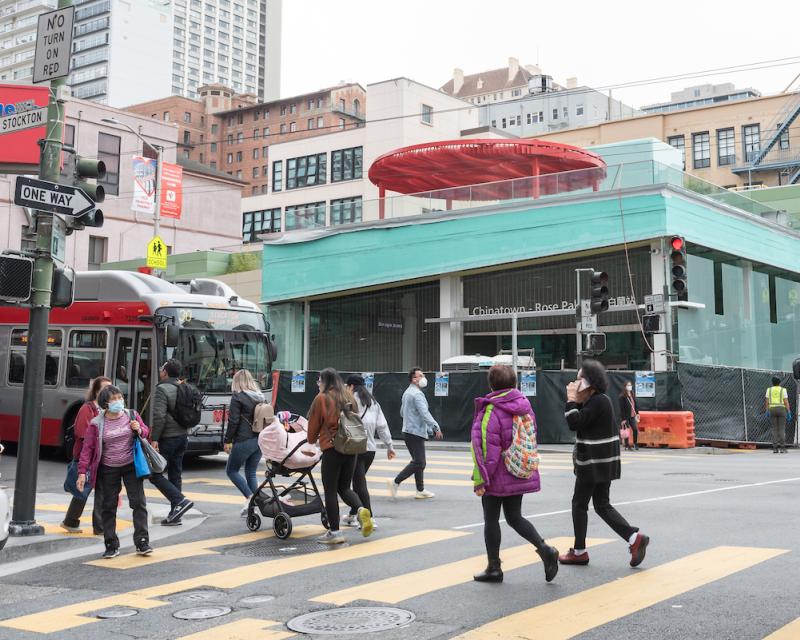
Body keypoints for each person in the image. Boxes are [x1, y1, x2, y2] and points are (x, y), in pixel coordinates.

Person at [471, 365, 559, 583]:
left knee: (491, 520)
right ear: (514, 383)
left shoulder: (490, 409)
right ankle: (544, 548)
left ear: (491, 384)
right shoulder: (525, 407)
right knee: (514, 517)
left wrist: (482, 479)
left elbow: (485, 449)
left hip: (497, 473)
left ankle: (494, 568)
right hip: (518, 469)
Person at [560, 359, 649, 568]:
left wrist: (571, 399)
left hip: (593, 463)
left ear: (589, 383)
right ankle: (634, 538)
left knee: (579, 504)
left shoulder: (598, 401)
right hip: (601, 462)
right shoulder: (598, 401)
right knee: (601, 504)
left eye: (579, 379)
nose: (575, 383)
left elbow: (574, 422)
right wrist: (576, 400)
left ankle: (579, 551)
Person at [76, 386, 152, 558]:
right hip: (108, 468)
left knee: (138, 502)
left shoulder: (131, 415)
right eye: (114, 399)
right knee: (108, 506)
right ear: (105, 403)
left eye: (120, 397)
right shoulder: (96, 423)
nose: (119, 401)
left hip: (131, 466)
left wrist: (139, 429)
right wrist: (82, 472)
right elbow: (87, 449)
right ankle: (110, 543)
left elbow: (145, 432)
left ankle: (142, 542)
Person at [307, 368, 373, 545]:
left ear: (325, 381)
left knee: (330, 490)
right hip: (352, 448)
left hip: (332, 448)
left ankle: (335, 532)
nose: (318, 384)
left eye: (319, 381)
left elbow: (313, 427)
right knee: (344, 488)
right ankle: (360, 510)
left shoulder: (322, 398)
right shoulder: (349, 397)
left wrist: (312, 439)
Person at [342, 374, 395, 530]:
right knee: (358, 482)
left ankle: (369, 518)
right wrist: (389, 446)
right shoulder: (373, 402)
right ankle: (353, 515)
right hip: (370, 450)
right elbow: (382, 426)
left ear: (351, 386)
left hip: (355, 448)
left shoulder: (350, 401)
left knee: (359, 484)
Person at [61, 376, 112, 534]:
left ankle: (93, 525)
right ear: (96, 391)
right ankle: (72, 521)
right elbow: (82, 434)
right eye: (105, 388)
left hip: (104, 456)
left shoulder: (108, 409)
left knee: (98, 490)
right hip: (89, 456)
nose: (108, 391)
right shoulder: (87, 409)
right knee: (84, 489)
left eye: (110, 388)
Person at [150, 359, 194, 526]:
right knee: (175, 473)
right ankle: (176, 514)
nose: (160, 371)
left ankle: (180, 501)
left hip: (168, 438)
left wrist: (154, 438)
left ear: (165, 373)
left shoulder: (162, 389)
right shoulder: (185, 387)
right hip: (183, 437)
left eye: (162, 369)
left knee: (154, 474)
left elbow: (159, 416)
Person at [388, 368, 442, 499]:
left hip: (408, 431)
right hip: (415, 432)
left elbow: (402, 412)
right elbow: (424, 413)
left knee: (418, 461)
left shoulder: (407, 392)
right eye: (420, 375)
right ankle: (395, 482)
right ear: (414, 379)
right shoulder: (417, 394)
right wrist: (435, 427)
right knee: (419, 462)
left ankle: (420, 490)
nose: (423, 377)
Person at [225, 369, 266, 515]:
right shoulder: (261, 397)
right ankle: (258, 504)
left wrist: (227, 440)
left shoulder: (238, 397)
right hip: (259, 440)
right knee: (251, 472)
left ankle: (250, 498)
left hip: (243, 439)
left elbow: (233, 421)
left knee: (231, 471)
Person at [765, 376, 791, 454]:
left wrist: (767, 410)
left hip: (772, 409)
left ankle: (775, 448)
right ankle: (782, 448)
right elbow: (786, 402)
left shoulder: (769, 390)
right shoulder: (783, 390)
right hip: (781, 409)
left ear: (772, 382)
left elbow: (767, 401)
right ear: (779, 382)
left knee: (774, 429)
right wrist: (788, 411)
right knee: (782, 429)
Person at [618, 382, 639, 451]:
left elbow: (635, 405)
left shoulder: (632, 395)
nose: (630, 386)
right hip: (626, 417)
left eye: (630, 385)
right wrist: (623, 419)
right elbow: (622, 408)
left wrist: (637, 413)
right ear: (625, 387)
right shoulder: (622, 397)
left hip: (632, 416)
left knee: (635, 429)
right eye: (628, 385)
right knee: (627, 431)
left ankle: (635, 444)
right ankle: (627, 446)